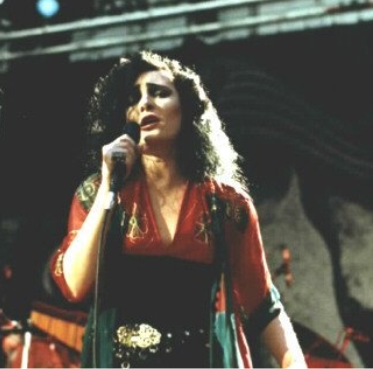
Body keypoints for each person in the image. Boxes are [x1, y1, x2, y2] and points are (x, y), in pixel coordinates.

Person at [49, 50, 307, 368]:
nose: (145, 103)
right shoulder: (96, 194)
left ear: (187, 109)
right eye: (133, 98)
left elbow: (262, 304)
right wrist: (107, 185)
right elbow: (74, 284)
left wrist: (295, 363)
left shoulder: (226, 204)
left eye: (159, 93)